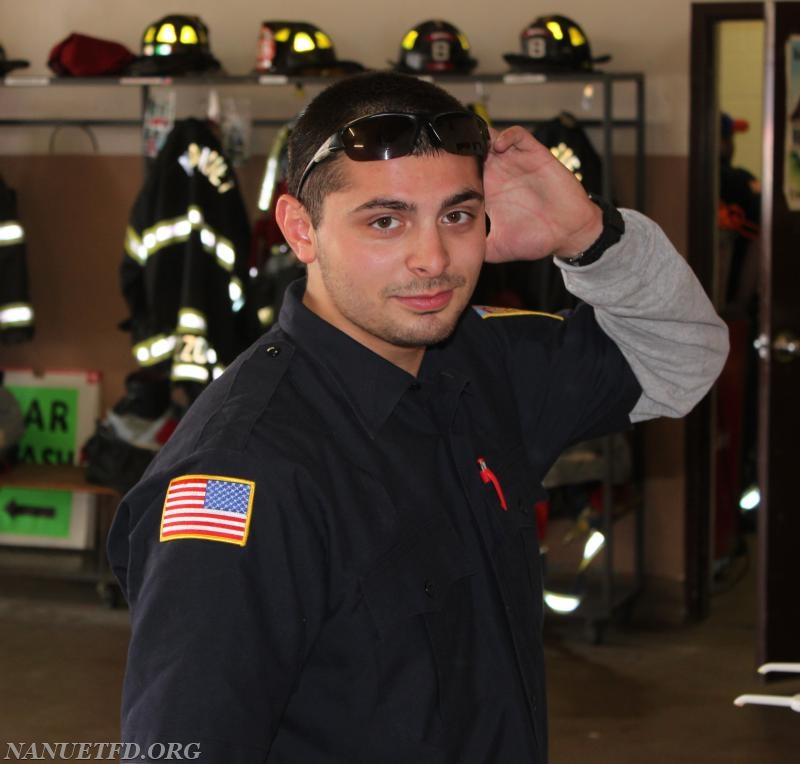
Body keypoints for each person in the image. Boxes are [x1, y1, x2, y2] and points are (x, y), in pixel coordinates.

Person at [107, 71, 728, 763]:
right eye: (385, 220)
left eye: (458, 216)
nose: (432, 259)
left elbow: (685, 358)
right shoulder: (245, 473)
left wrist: (587, 233)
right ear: (300, 229)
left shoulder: (483, 363)